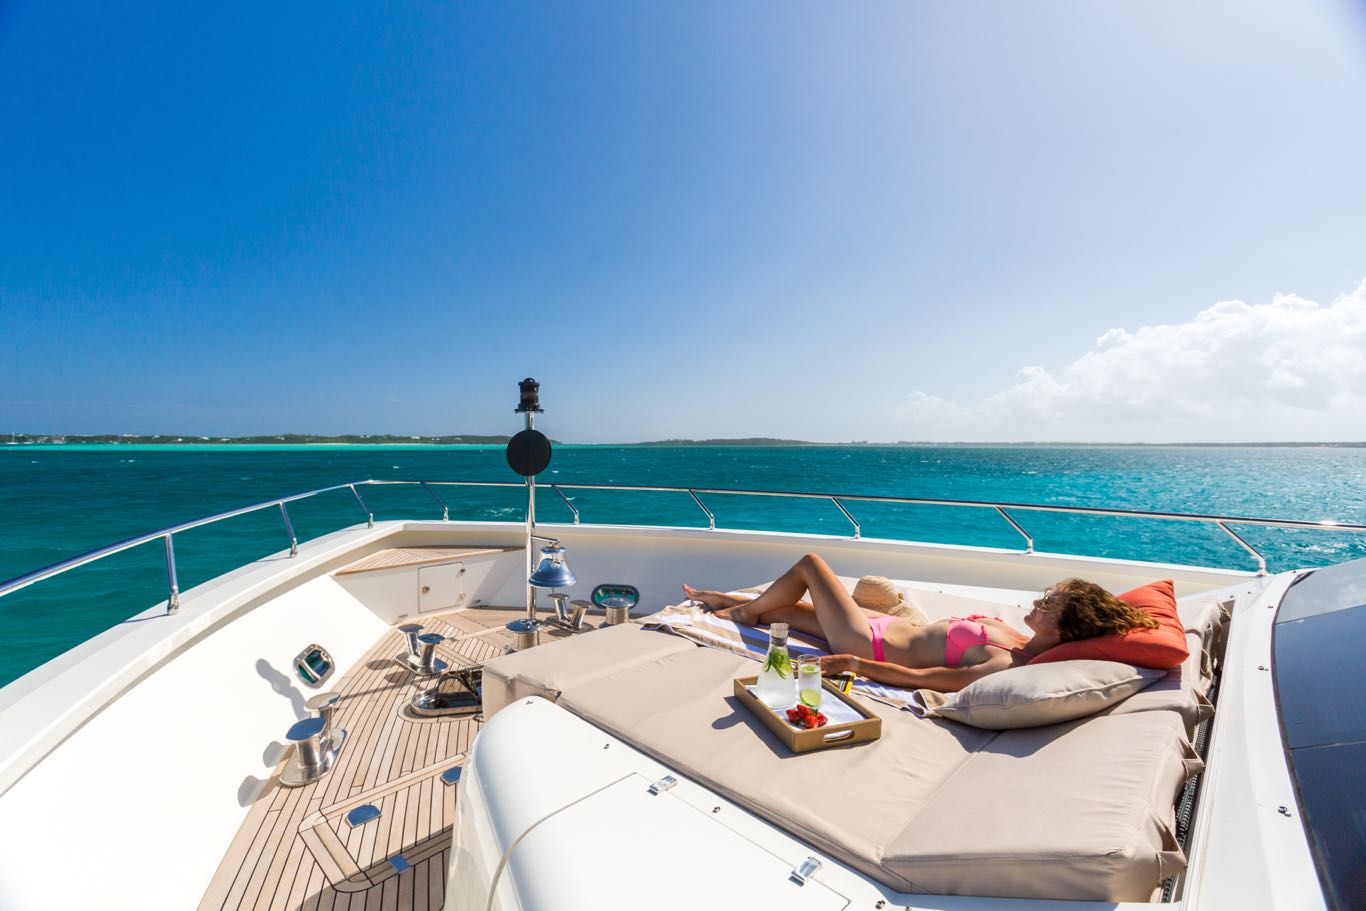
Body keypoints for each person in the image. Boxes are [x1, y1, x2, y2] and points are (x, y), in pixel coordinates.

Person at [682, 553, 1159, 692]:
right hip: (882, 625)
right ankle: (725, 601)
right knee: (781, 612)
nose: (1038, 600)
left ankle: (739, 611)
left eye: (1049, 603)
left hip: (867, 642)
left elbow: (926, 679)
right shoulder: (1019, 636)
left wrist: (856, 664)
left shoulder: (1005, 663)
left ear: (1067, 627)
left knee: (810, 566)